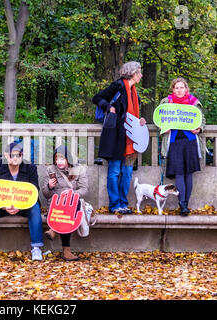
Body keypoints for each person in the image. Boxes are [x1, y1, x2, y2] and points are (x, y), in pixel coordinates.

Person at [92, 61, 146, 214]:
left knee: (127, 172)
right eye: (139, 72)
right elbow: (97, 98)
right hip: (116, 136)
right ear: (133, 73)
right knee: (115, 171)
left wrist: (141, 120)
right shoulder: (118, 86)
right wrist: (109, 107)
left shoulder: (134, 92)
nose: (141, 75)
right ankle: (115, 204)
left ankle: (123, 203)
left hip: (131, 138)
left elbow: (133, 115)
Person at [0, 142, 44, 260]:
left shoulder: (31, 168)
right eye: (12, 155)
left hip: (24, 205)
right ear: (6, 156)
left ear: (22, 155)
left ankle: (36, 248)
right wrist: (4, 206)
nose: (15, 158)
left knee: (35, 207)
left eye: (18, 155)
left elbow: (34, 191)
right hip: (2, 205)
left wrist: (20, 206)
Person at [160, 77, 206, 216]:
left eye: (182, 87)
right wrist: (163, 127)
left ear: (186, 89)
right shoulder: (167, 103)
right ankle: (182, 205)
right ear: (173, 89)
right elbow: (159, 118)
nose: (179, 90)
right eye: (176, 88)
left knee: (188, 173)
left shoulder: (193, 103)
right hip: (174, 141)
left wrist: (199, 128)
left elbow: (202, 119)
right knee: (179, 173)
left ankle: (185, 203)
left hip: (190, 141)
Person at [41, 145, 88, 261]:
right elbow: (46, 194)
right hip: (55, 203)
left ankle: (53, 230)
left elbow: (84, 189)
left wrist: (73, 193)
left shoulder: (78, 169)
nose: (58, 162)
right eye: (56, 159)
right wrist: (49, 186)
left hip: (72, 201)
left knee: (69, 209)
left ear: (68, 159)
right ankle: (66, 251)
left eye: (61, 159)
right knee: (65, 211)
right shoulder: (50, 170)